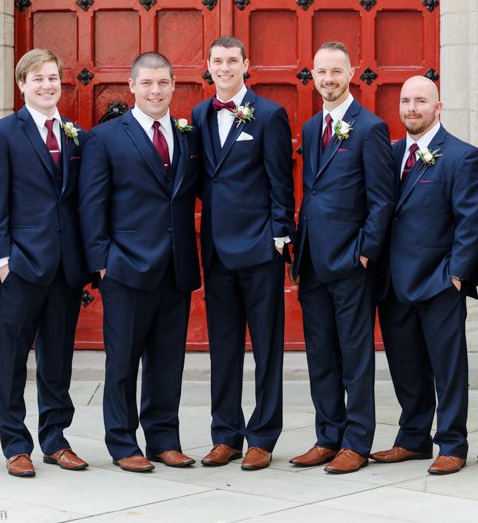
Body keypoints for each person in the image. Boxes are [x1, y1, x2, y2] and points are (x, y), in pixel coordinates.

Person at [78, 52, 202, 473]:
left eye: (163, 83)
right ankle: (122, 441)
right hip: (125, 267)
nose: (155, 91)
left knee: (168, 360)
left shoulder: (187, 135)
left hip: (176, 266)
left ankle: (164, 439)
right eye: (147, 83)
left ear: (173, 86)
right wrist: (101, 262)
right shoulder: (107, 137)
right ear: (131, 86)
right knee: (123, 361)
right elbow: (92, 203)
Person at [370, 75, 478, 475]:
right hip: (393, 283)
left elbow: (472, 222)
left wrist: (456, 275)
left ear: (438, 107)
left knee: (448, 368)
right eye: (405, 101)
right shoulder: (390, 152)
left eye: (420, 101)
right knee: (406, 367)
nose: (411, 108)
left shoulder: (461, 156)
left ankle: (453, 443)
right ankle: (413, 438)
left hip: (438, 281)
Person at [0, 48, 90, 477]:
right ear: (21, 84)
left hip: (64, 268)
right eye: (37, 78)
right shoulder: (3, 133)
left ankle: (55, 439)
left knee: (57, 358)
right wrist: (3, 260)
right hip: (21, 266)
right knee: (11, 359)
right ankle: (15, 443)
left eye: (52, 78)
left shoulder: (76, 133)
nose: (47, 85)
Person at [289, 41, 394, 474]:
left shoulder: (370, 128)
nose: (328, 80)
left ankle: (356, 441)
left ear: (351, 74)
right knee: (320, 354)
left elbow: (382, 199)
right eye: (321, 72)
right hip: (312, 259)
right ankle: (327, 435)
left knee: (355, 355)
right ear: (312, 77)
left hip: (351, 263)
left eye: (336, 72)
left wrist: (365, 254)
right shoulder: (313, 127)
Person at [192, 36, 295, 471]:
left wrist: (279, 236)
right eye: (217, 60)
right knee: (224, 348)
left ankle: (263, 436)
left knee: (267, 347)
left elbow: (280, 181)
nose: (225, 67)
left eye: (232, 60)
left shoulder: (269, 115)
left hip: (258, 249)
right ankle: (226, 434)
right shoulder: (197, 115)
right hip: (215, 249)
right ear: (209, 66)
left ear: (246, 65)